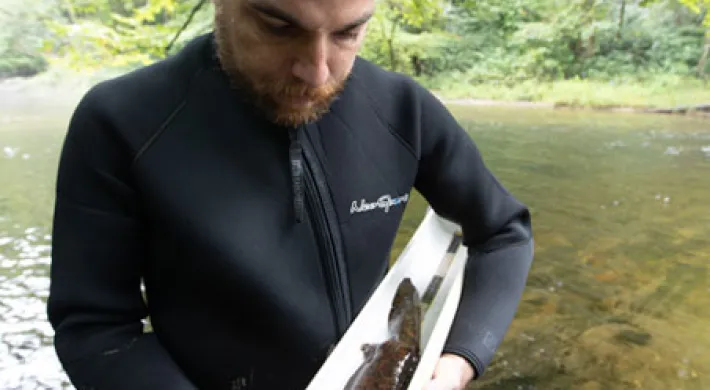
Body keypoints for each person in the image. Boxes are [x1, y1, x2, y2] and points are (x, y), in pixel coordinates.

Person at [46, 0, 535, 388]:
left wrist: (456, 363)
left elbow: (502, 233)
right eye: (278, 27)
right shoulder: (121, 123)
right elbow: (95, 328)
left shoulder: (403, 110)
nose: (318, 72)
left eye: (348, 33)